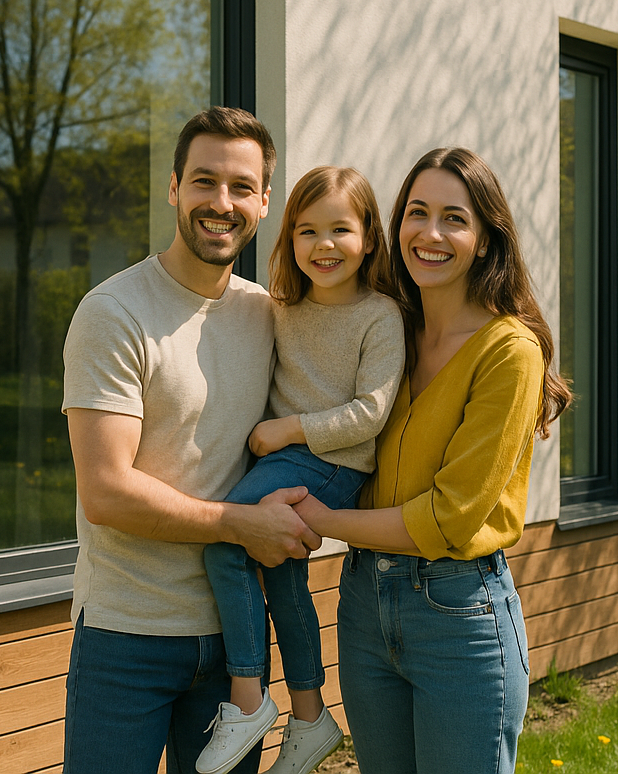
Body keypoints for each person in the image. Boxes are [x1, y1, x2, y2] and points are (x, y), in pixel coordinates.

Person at [292, 147, 572, 774]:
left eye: (455, 218)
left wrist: (316, 516)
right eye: (417, 213)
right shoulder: (387, 329)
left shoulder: (509, 351)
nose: (432, 233)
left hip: (459, 615)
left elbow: (448, 517)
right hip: (363, 604)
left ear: (484, 239)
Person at [62, 106, 321, 774]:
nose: (221, 203)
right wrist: (244, 527)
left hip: (236, 649)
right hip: (128, 636)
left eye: (241, 187)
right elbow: (107, 493)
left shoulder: (269, 315)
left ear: (265, 201)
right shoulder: (114, 313)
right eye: (204, 182)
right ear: (174, 187)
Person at [195, 166, 403, 774]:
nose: (324, 244)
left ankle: (248, 697)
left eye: (340, 228)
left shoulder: (380, 315)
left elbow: (371, 413)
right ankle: (310, 717)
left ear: (368, 237)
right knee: (282, 577)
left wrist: (287, 429)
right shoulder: (283, 308)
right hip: (287, 460)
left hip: (332, 466)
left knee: (227, 546)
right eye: (307, 231)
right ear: (288, 240)